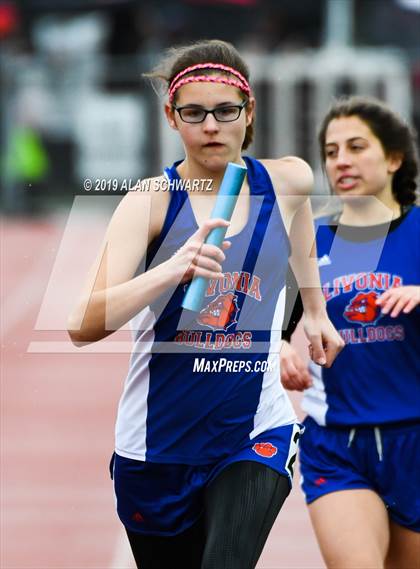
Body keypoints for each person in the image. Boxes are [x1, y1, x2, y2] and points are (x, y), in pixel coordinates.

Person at [67, 39, 343, 569]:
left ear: (249, 111)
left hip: (253, 433)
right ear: (172, 118)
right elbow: (81, 324)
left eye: (225, 111)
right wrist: (172, 269)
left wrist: (314, 310)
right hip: (156, 447)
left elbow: (301, 231)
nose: (211, 126)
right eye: (194, 113)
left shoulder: (287, 180)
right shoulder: (150, 202)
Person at [281, 95, 420, 569]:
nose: (341, 160)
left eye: (357, 147)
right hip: (337, 444)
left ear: (394, 158)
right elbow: (267, 325)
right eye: (331, 151)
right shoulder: (312, 242)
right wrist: (278, 349)